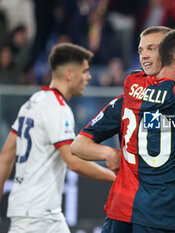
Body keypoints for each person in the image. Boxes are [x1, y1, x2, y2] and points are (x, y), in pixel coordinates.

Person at [71, 25, 175, 233]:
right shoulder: (156, 97)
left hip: (173, 205)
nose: (144, 56)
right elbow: (79, 144)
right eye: (141, 50)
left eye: (151, 48)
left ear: (171, 52)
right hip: (151, 208)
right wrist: (107, 152)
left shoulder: (141, 91)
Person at [0, 43, 116, 233]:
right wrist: (116, 177)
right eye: (85, 71)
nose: (89, 77)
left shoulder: (33, 102)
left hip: (32, 210)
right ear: (69, 74)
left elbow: (5, 157)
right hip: (39, 215)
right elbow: (74, 162)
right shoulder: (57, 109)